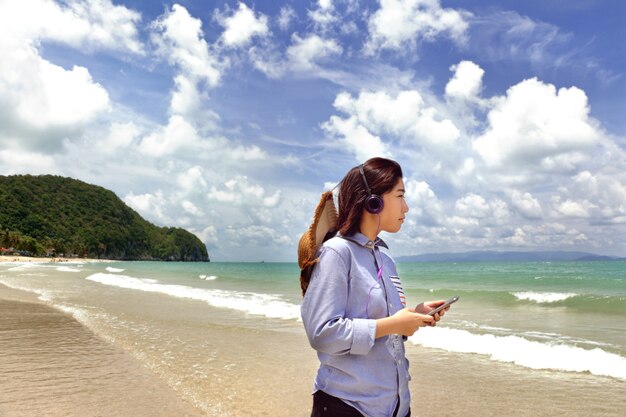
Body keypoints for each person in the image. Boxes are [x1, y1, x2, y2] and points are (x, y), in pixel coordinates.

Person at [299, 157, 450, 417]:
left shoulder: (385, 258)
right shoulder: (337, 252)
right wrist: (393, 324)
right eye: (400, 195)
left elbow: (383, 330)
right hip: (348, 406)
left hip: (394, 407)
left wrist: (413, 317)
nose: (407, 207)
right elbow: (322, 333)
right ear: (373, 201)